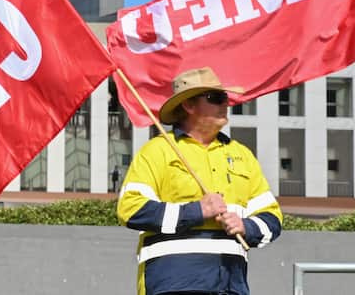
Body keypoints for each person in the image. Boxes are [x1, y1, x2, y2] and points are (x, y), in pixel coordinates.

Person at [118, 67, 282, 295]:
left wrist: (248, 227)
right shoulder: (157, 151)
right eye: (216, 98)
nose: (225, 104)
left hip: (231, 285)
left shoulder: (242, 154)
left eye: (225, 98)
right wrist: (197, 211)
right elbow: (131, 209)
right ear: (188, 105)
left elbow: (272, 218)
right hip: (173, 284)